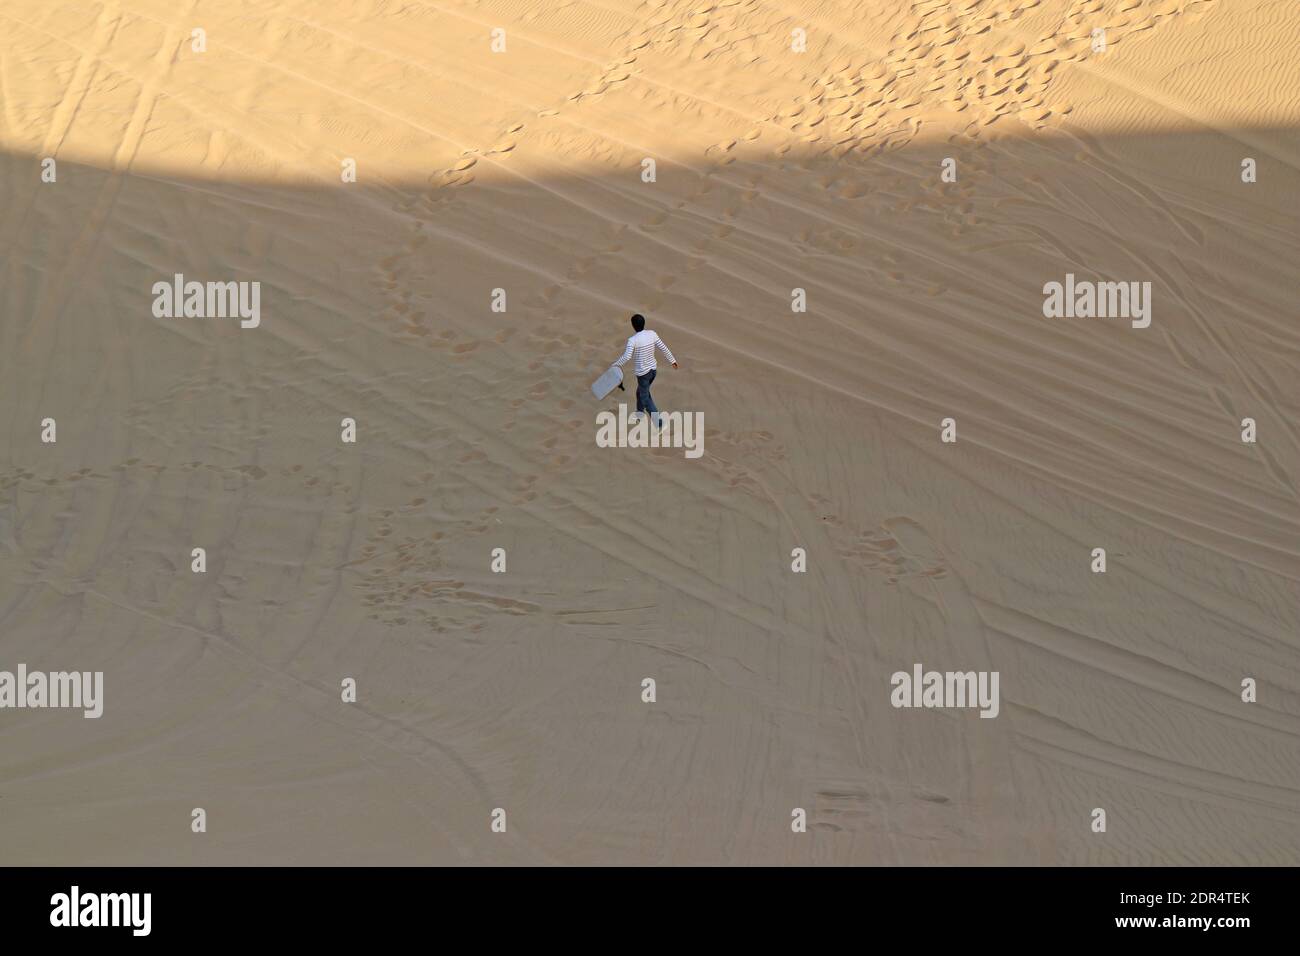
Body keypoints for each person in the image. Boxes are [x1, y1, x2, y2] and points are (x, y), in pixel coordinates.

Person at [612, 313, 677, 424]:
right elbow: (663, 347)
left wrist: (616, 364)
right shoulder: (652, 334)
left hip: (643, 375)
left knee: (645, 398)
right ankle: (639, 414)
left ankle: (659, 424)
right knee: (641, 392)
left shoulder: (632, 340)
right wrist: (672, 361)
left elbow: (627, 356)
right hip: (653, 372)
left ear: (633, 326)